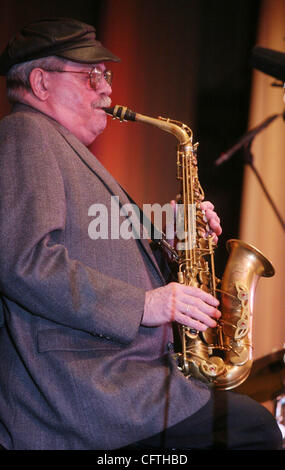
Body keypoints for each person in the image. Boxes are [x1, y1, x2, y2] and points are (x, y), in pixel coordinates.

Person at [0, 18, 282, 451]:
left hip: (113, 380)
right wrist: (145, 303)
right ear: (40, 82)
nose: (107, 89)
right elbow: (24, 262)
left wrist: (169, 235)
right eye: (91, 76)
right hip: (84, 390)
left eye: (106, 76)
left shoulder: (58, 145)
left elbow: (89, 241)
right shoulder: (27, 134)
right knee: (251, 430)